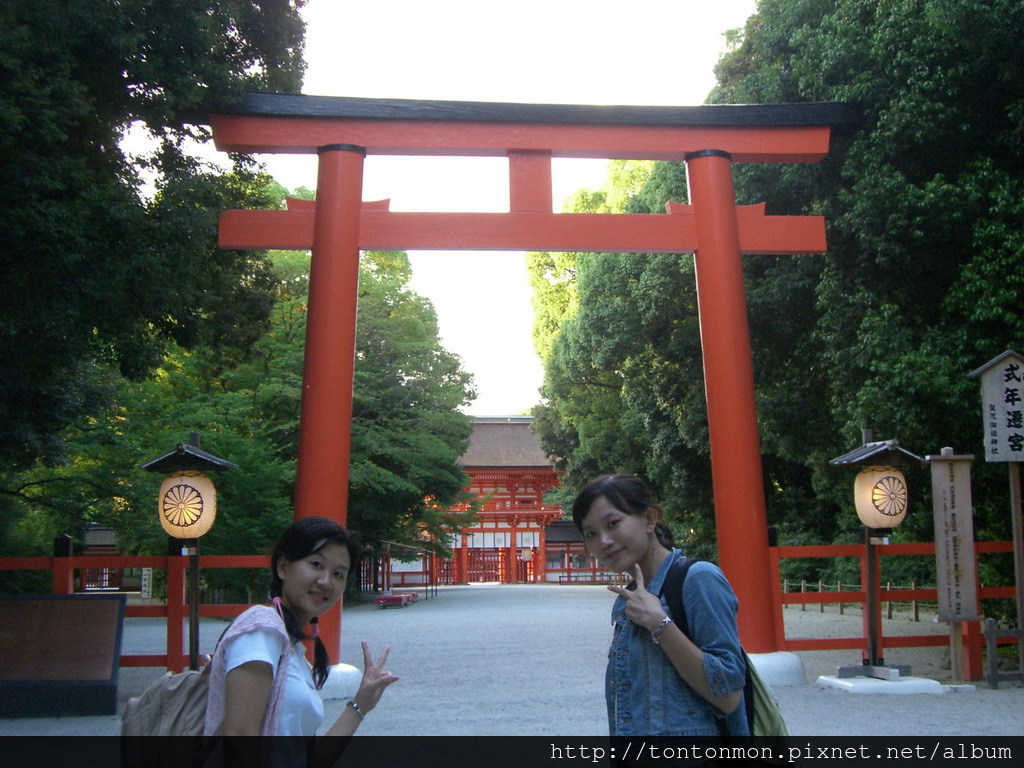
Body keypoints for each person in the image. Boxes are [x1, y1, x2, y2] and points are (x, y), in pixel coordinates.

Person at [572, 474, 747, 739]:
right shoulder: (630, 598)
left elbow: (729, 696)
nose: (603, 541)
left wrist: (660, 624)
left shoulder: (698, 578)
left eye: (613, 523)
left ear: (650, 519)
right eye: (591, 534)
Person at [204, 516, 398, 748]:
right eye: (316, 564)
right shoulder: (261, 629)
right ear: (283, 567)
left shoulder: (293, 650)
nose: (326, 581)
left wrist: (360, 705)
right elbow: (239, 738)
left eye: (338, 574)